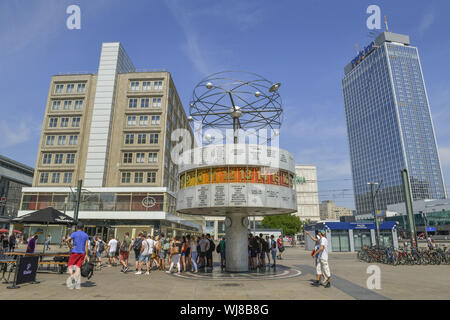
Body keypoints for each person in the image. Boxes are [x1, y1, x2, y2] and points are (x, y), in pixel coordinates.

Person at [65, 223, 89, 290]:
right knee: (78, 267)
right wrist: (86, 254)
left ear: (77, 227)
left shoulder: (74, 233)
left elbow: (67, 240)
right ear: (83, 228)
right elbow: (86, 245)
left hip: (75, 252)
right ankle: (75, 282)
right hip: (82, 253)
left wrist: (70, 246)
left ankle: (72, 278)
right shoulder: (85, 235)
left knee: (70, 266)